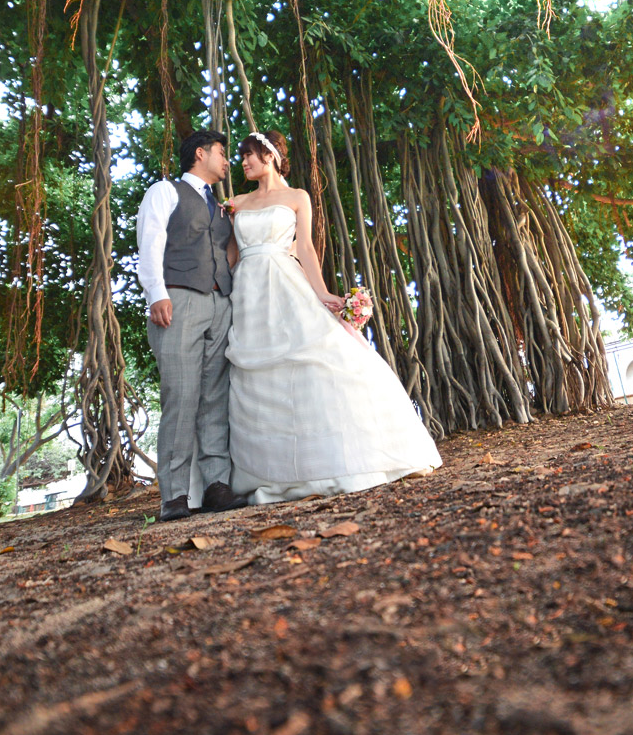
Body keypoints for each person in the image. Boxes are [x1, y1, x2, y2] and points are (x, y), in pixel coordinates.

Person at [222, 130, 441, 503]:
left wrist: (322, 292)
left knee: (321, 357)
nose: (244, 161)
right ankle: (270, 469)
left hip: (286, 282)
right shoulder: (236, 203)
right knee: (255, 369)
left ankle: (342, 458)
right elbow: (229, 256)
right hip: (247, 292)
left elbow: (305, 246)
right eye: (242, 155)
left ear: (271, 156)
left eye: (251, 154)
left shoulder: (297, 197)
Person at [135, 130, 248, 522]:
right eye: (221, 152)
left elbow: (225, 254)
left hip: (220, 302)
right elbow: (149, 242)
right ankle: (175, 495)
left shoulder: (220, 207)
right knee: (181, 396)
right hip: (179, 300)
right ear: (200, 153)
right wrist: (156, 294)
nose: (227, 160)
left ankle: (217, 485)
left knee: (215, 396)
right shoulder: (165, 192)